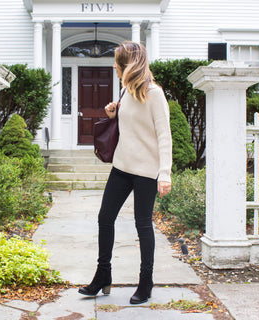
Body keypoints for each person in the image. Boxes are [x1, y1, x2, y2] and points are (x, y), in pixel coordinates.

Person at [78, 41, 173, 304]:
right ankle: (103, 276)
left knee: (143, 225)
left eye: (117, 62)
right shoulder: (125, 91)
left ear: (128, 64)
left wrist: (164, 173)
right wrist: (112, 115)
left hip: (146, 170)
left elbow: (164, 135)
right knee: (104, 218)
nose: (113, 66)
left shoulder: (154, 94)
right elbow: (128, 126)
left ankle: (146, 282)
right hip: (121, 166)